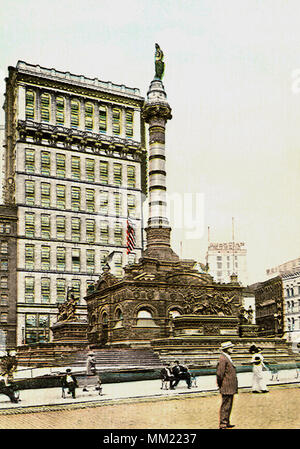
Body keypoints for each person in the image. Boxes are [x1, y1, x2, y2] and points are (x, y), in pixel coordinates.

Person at [216, 341, 238, 429]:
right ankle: (223, 423)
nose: (232, 349)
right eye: (231, 348)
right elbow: (220, 373)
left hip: (230, 385)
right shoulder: (223, 358)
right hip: (226, 385)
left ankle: (227, 421)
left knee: (229, 404)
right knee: (225, 405)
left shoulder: (227, 357)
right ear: (226, 349)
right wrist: (221, 384)